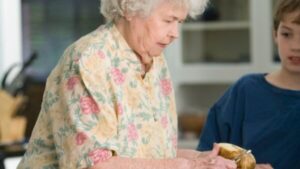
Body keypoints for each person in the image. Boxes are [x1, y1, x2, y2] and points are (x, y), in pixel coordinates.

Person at [17, 0, 237, 168]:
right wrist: (184, 166)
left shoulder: (155, 60)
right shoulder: (89, 60)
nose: (175, 34)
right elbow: (93, 164)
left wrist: (200, 159)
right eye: (168, 20)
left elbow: (151, 155)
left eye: (180, 22)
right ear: (131, 8)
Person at [197, 0, 300, 168]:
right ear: (275, 34)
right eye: (287, 34)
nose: (296, 46)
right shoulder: (245, 91)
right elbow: (205, 159)